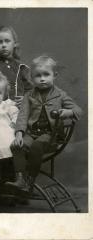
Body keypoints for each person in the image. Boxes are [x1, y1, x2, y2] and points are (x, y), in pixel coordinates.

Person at [6, 55, 82, 191]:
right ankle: (20, 180)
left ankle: (30, 181)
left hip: (51, 136)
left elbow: (78, 110)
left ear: (55, 75)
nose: (42, 79)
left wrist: (66, 112)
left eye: (46, 74)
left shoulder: (60, 95)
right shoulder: (29, 96)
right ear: (31, 77)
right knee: (16, 147)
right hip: (32, 133)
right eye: (37, 76)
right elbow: (22, 117)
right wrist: (19, 134)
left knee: (36, 146)